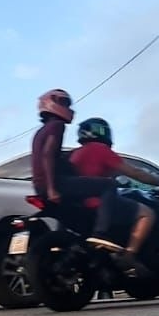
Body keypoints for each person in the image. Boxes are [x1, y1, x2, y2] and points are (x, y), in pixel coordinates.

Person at [68, 118, 159, 276]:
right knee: (147, 213)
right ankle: (130, 254)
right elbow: (134, 173)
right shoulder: (100, 149)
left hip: (80, 204)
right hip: (100, 203)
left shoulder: (75, 154)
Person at [28, 89, 118, 245]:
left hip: (39, 185)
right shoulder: (57, 126)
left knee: (72, 206)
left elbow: (49, 155)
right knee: (109, 185)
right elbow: (48, 155)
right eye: (64, 103)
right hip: (55, 183)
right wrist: (52, 189)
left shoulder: (40, 131)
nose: (69, 108)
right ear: (51, 103)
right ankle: (101, 233)